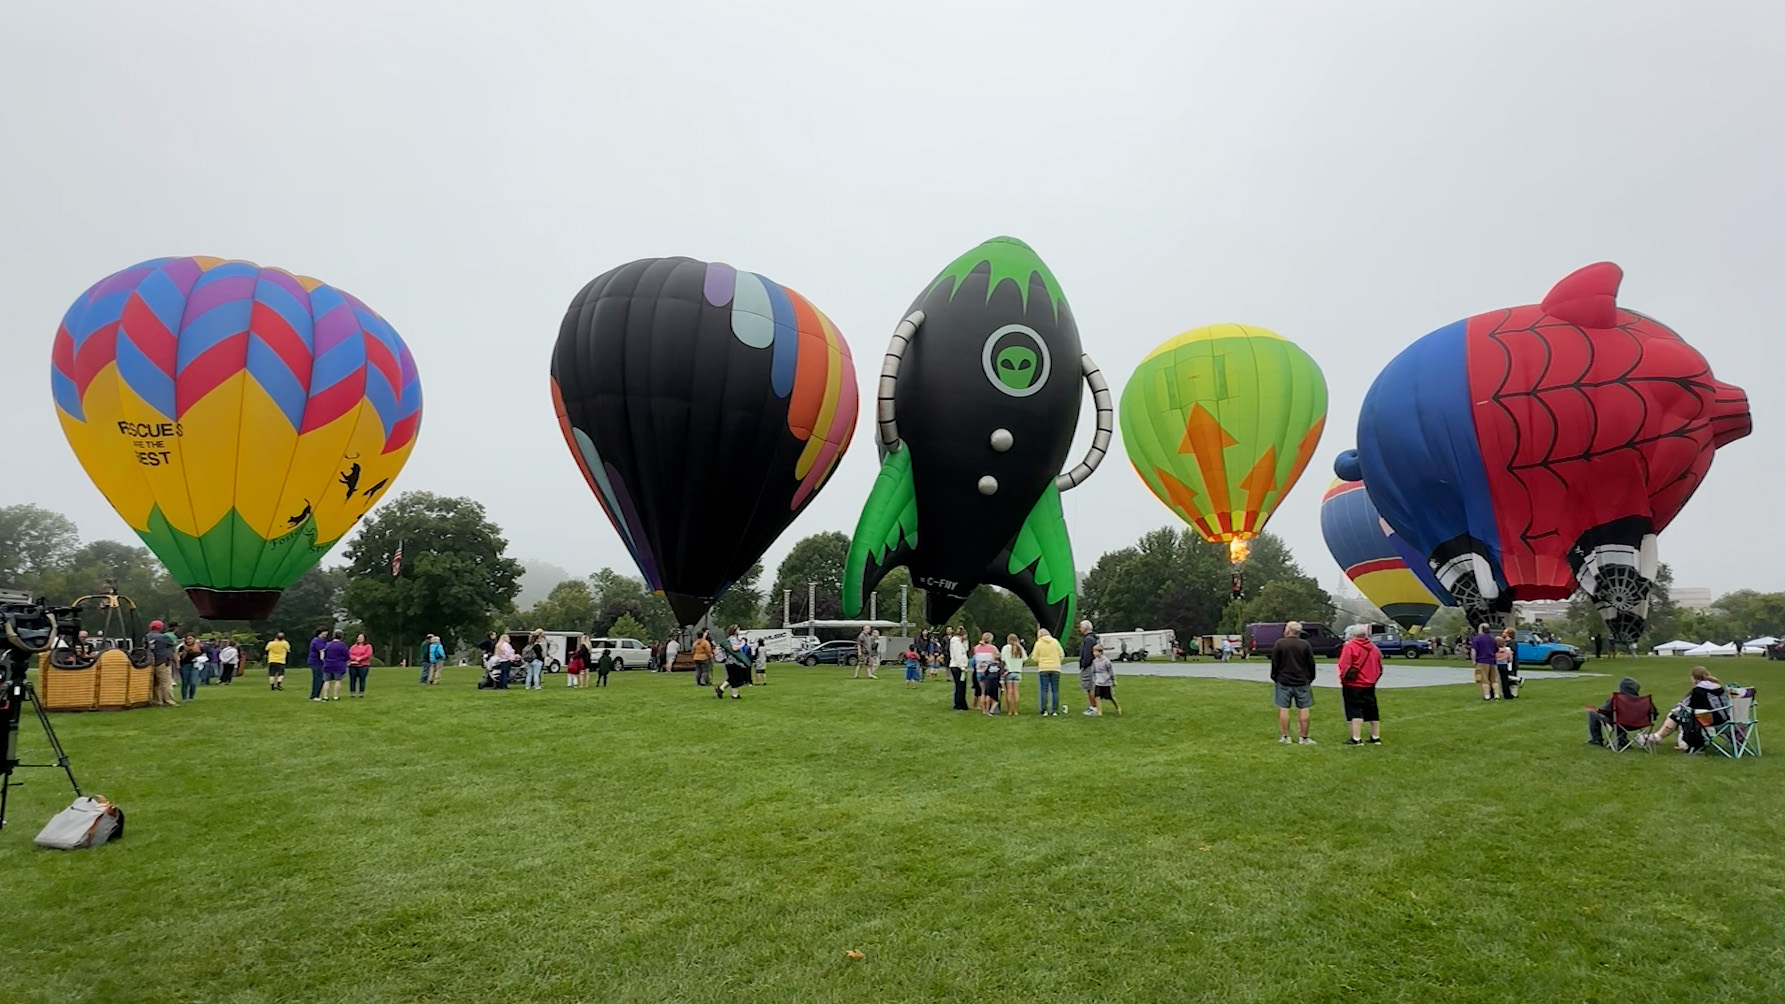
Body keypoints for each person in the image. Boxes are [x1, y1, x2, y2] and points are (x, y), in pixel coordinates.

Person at [1642, 667, 1728, 751]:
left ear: (1693, 678)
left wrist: (1680, 707)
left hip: (1709, 719)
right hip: (1724, 718)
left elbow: (1691, 706)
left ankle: (1661, 737)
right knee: (1677, 714)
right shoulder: (1719, 688)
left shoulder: (1699, 690)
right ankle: (1659, 736)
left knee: (1676, 715)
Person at [1270, 620, 1317, 744]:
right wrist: (1310, 678)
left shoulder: (1280, 644)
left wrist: (1275, 677)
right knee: (1304, 708)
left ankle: (1286, 736)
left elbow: (1275, 663)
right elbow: (1311, 663)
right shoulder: (1305, 644)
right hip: (1302, 680)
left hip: (1283, 680)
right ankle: (1304, 737)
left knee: (1284, 708)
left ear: (1288, 630)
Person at [1336, 625, 1383, 745]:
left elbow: (1344, 665)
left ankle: (1356, 738)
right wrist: (1373, 679)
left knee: (1355, 710)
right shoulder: (1374, 648)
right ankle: (1375, 737)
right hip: (1370, 684)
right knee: (1372, 710)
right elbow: (1379, 667)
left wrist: (1343, 679)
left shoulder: (1350, 646)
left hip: (1353, 684)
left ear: (1353, 635)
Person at [1586, 677, 1652, 746]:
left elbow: (1605, 710)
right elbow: (1653, 714)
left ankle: (1596, 739)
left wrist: (1597, 710)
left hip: (1619, 723)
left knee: (1593, 713)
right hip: (1638, 724)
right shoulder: (1643, 701)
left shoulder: (1617, 699)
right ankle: (1622, 740)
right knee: (1621, 718)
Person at [1032, 628, 1065, 715]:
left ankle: (1044, 710)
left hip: (1043, 668)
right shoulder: (1055, 642)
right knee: (1055, 690)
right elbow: (1061, 655)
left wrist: (1039, 661)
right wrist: (1057, 661)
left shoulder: (1038, 643)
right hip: (1055, 667)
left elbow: (1034, 657)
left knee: (1044, 690)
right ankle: (1054, 710)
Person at [147, 619, 178, 707]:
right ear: (160, 628)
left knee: (154, 683)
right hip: (163, 661)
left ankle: (157, 700)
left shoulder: (146, 637)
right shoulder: (164, 637)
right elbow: (173, 644)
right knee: (166, 682)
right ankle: (169, 700)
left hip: (150, 661)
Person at [716, 625, 751, 699]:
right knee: (736, 678)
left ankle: (721, 688)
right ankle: (734, 694)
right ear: (734, 631)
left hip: (729, 662)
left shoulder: (731, 639)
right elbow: (734, 648)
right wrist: (743, 644)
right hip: (733, 661)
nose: (739, 631)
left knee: (732, 678)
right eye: (738, 629)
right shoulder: (732, 639)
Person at [972, 633, 1001, 715]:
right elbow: (997, 656)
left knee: (982, 692)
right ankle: (989, 709)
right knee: (989, 692)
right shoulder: (993, 648)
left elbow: (974, 658)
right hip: (989, 671)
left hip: (979, 670)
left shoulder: (976, 648)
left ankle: (983, 709)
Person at [1469, 623, 1500, 701]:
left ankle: (1487, 696)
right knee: (1494, 679)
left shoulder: (1477, 638)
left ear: (1481, 629)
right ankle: (1496, 695)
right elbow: (1496, 649)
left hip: (1482, 661)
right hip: (1492, 661)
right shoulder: (1492, 638)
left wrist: (1473, 660)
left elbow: (1474, 650)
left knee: (1484, 679)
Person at [1000, 633, 1026, 715]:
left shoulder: (1005, 648)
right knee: (1016, 691)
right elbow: (1024, 659)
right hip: (1017, 672)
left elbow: (1002, 659)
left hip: (1009, 671)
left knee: (1009, 692)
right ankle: (1016, 711)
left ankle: (1009, 710)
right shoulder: (1020, 648)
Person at [1077, 620, 1100, 714]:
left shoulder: (1088, 639)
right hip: (1094, 665)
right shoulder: (1094, 638)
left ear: (1086, 628)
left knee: (1089, 687)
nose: (1080, 629)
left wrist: (1083, 664)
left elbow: (1087, 654)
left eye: (1081, 627)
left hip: (1089, 666)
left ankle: (1093, 707)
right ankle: (1095, 706)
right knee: (1091, 687)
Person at [1090, 645, 1119, 715]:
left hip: (1106, 681)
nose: (1094, 653)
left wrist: (1113, 680)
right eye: (1093, 651)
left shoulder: (1106, 661)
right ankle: (1099, 711)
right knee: (1097, 696)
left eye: (1095, 651)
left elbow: (1110, 671)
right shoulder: (1094, 661)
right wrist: (1094, 679)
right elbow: (1093, 671)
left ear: (1100, 652)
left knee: (1110, 697)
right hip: (1098, 681)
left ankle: (1118, 708)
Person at [947, 627, 971, 711]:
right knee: (960, 685)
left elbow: (966, 649)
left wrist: (965, 642)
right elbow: (958, 655)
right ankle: (959, 703)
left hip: (959, 666)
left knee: (962, 685)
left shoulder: (960, 643)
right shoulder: (956, 643)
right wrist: (962, 666)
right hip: (957, 666)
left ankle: (961, 702)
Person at [322, 631, 349, 700]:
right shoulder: (342, 645)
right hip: (338, 665)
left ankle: (325, 696)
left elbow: (324, 654)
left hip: (328, 664)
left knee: (326, 681)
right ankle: (335, 696)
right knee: (337, 680)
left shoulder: (328, 644)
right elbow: (346, 655)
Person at [177, 633, 203, 702]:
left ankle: (191, 697)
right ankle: (184, 697)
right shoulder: (182, 647)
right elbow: (179, 657)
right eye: (187, 639)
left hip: (195, 665)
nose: (189, 640)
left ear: (194, 639)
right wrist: (182, 654)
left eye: (190, 638)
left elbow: (204, 656)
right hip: (185, 665)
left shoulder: (199, 647)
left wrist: (198, 659)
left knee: (193, 682)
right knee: (185, 682)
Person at [1496, 628, 1520, 700]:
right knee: (1506, 677)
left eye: (1505, 632)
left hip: (1511, 662)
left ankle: (1514, 692)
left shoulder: (1512, 642)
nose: (1503, 633)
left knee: (1511, 676)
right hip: (1505, 662)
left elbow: (1512, 651)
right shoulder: (1504, 642)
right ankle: (1508, 692)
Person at [347, 633, 373, 697]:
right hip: (353, 665)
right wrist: (355, 658)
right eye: (359, 637)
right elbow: (349, 654)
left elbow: (368, 654)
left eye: (361, 637)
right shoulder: (353, 646)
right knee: (352, 679)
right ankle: (352, 693)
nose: (360, 639)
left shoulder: (368, 646)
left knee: (362, 679)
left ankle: (361, 693)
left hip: (363, 665)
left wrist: (360, 658)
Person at [308, 627, 330, 701]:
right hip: (316, 662)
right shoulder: (318, 640)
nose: (326, 633)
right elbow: (322, 651)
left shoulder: (323, 640)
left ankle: (316, 695)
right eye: (325, 631)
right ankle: (314, 695)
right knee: (318, 678)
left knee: (320, 678)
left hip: (318, 662)